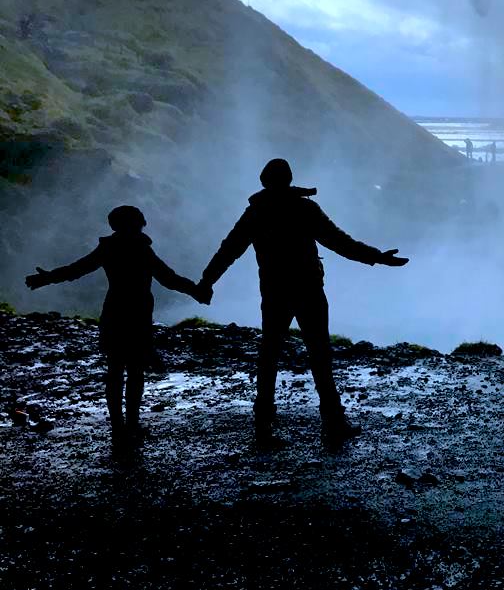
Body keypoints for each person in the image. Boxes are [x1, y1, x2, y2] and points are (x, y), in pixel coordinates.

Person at [197, 158, 408, 449]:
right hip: (309, 289)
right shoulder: (304, 208)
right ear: (288, 179)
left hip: (274, 292)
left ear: (264, 182)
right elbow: (339, 242)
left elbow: (229, 249)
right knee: (320, 354)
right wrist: (378, 257)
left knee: (269, 355)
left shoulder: (256, 212)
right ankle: (333, 422)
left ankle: (263, 426)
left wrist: (207, 281)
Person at [24, 205, 209, 447]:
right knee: (135, 371)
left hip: (114, 311)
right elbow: (168, 278)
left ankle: (118, 426)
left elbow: (77, 269)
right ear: (139, 223)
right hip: (139, 313)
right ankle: (131, 423)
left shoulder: (109, 247)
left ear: (114, 225)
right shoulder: (142, 249)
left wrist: (47, 278)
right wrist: (196, 290)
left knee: (115, 370)